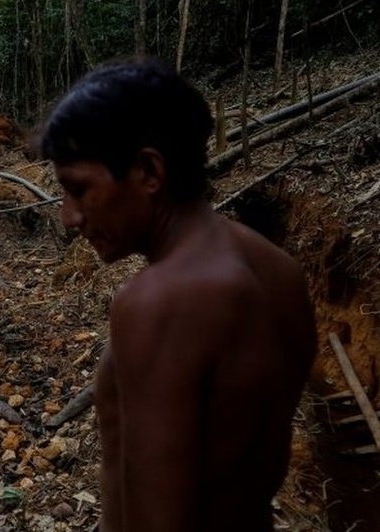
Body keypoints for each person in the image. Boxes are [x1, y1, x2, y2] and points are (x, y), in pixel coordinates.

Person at [40, 58, 317, 532]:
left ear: (149, 171)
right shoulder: (279, 272)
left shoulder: (160, 301)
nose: (70, 217)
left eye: (79, 189)